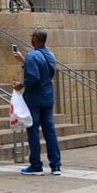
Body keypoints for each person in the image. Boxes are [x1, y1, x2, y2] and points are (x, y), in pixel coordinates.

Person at [13, 29, 61, 175]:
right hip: (48, 96)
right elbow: (46, 72)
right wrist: (24, 61)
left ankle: (36, 165)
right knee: (50, 130)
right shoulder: (50, 55)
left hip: (34, 98)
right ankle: (56, 165)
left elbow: (33, 77)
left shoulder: (32, 55)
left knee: (33, 131)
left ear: (35, 39)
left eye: (31, 36)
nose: (31, 39)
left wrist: (21, 84)